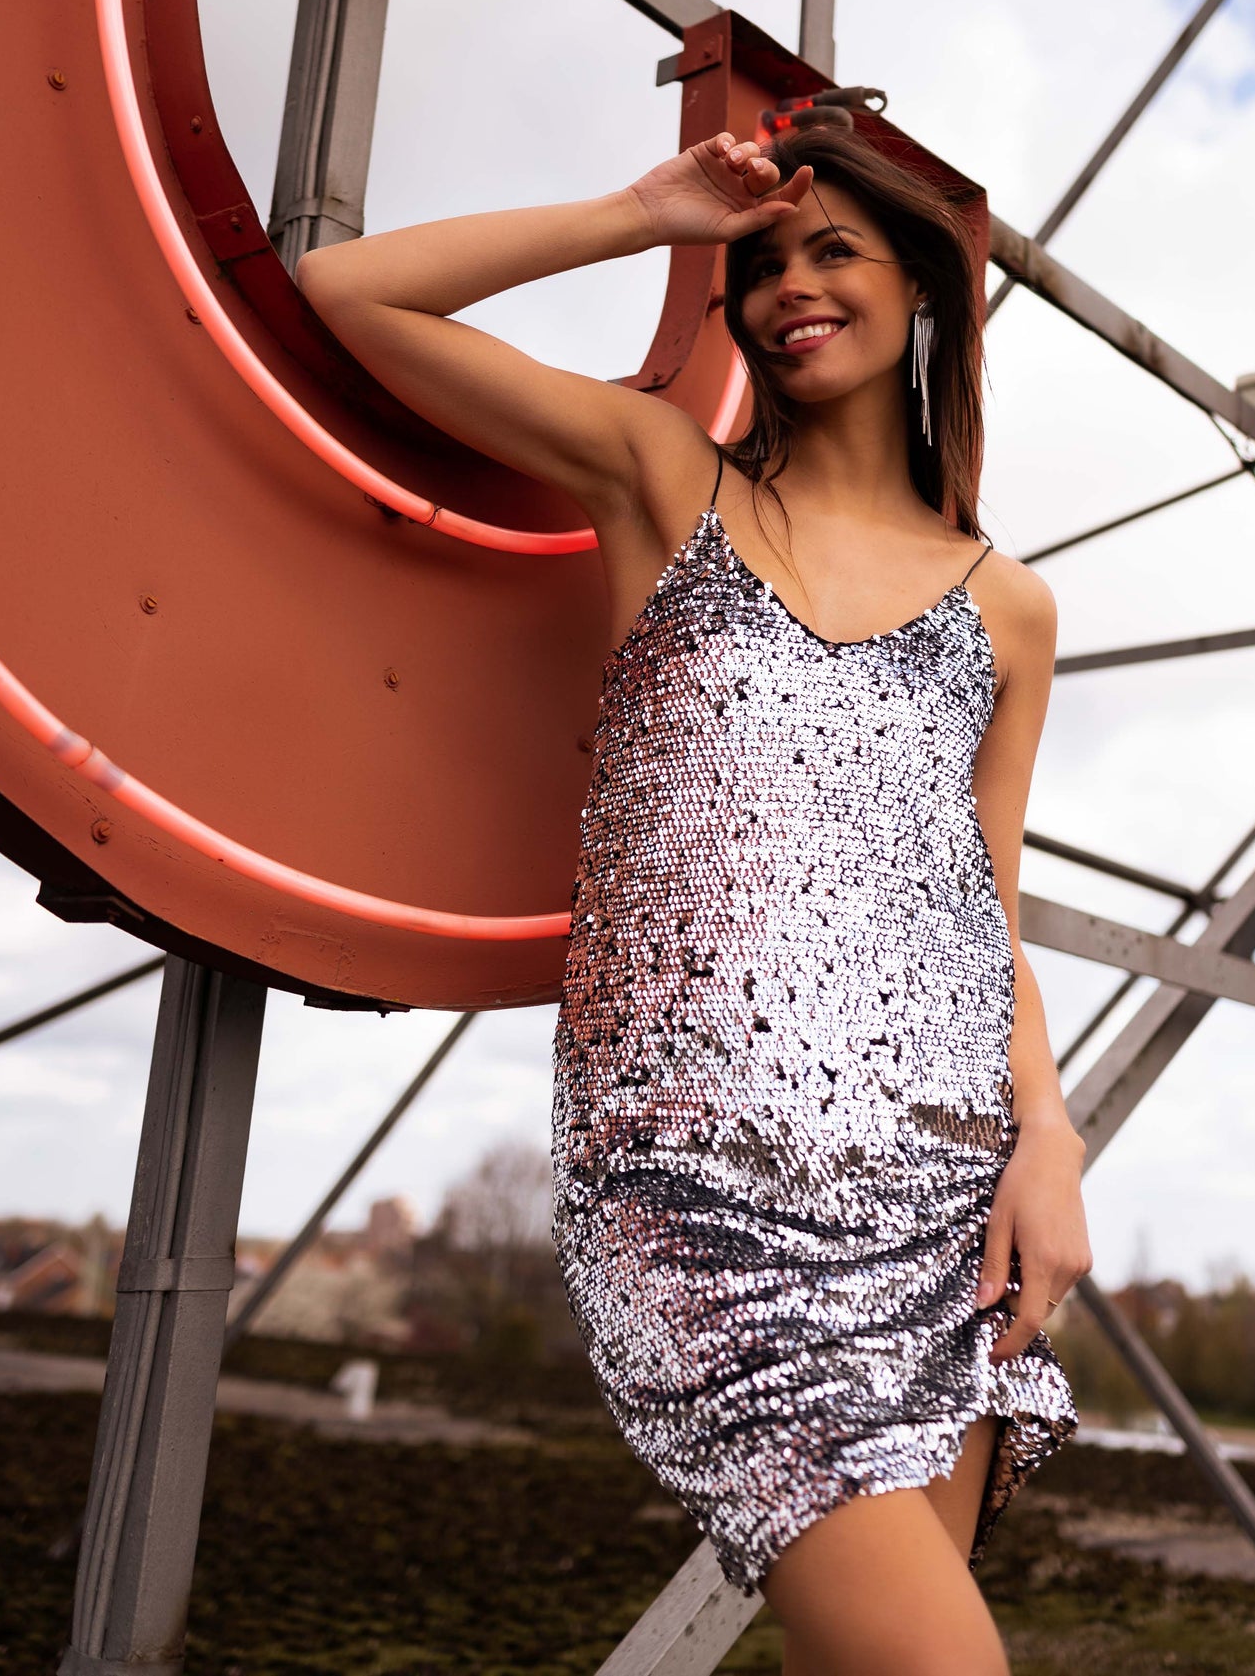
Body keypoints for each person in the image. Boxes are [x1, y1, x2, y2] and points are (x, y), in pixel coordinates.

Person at [296, 122, 1093, 1676]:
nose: (786, 285)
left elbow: (977, 906)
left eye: (830, 251)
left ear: (922, 285)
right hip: (700, 1185)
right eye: (759, 268)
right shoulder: (667, 479)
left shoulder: (1010, 605)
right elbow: (354, 294)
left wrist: (1047, 1140)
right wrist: (644, 213)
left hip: (941, 1194)